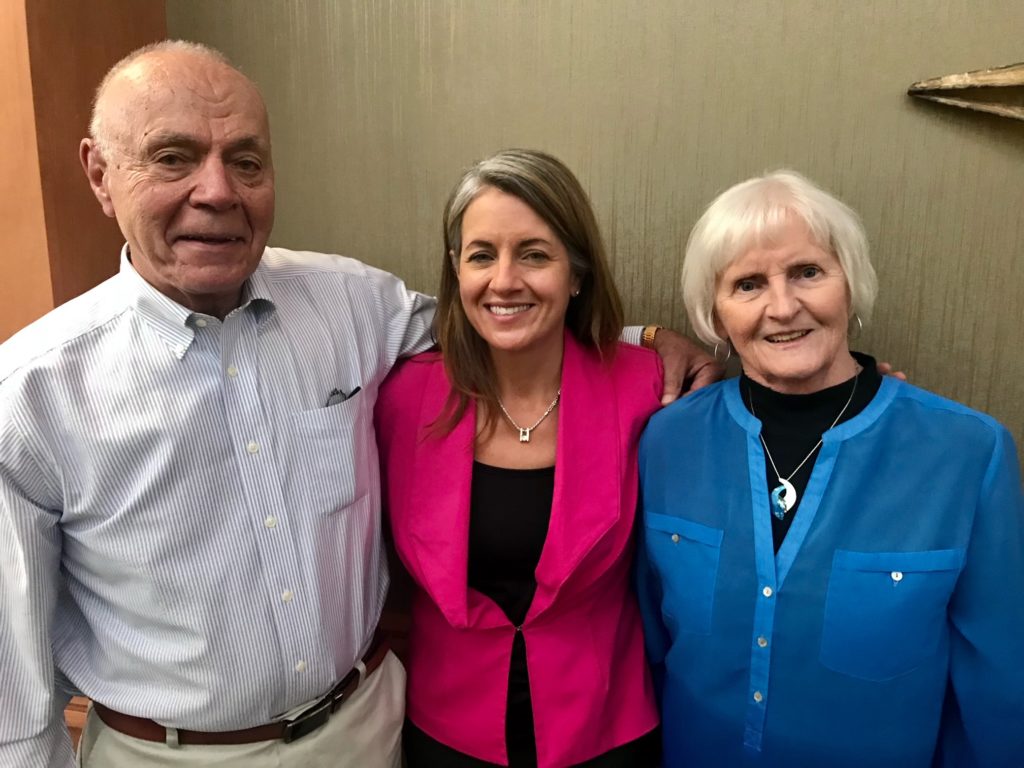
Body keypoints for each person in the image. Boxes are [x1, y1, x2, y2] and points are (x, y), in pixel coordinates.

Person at [0, 42, 716, 768]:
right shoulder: (30, 396)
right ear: (99, 173)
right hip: (163, 755)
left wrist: (648, 340)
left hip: (365, 731)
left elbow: (497, 330)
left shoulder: (351, 305)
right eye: (174, 158)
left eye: (245, 161)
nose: (217, 192)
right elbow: (11, 687)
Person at [635, 170, 1024, 767]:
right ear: (714, 312)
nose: (783, 306)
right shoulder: (666, 440)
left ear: (851, 282)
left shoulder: (968, 454)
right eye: (747, 284)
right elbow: (647, 643)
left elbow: (996, 684)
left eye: (808, 272)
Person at [375, 150, 663, 767]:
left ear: (576, 272)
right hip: (446, 730)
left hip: (607, 727)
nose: (504, 281)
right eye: (482, 255)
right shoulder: (400, 399)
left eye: (534, 253)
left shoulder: (647, 389)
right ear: (456, 271)